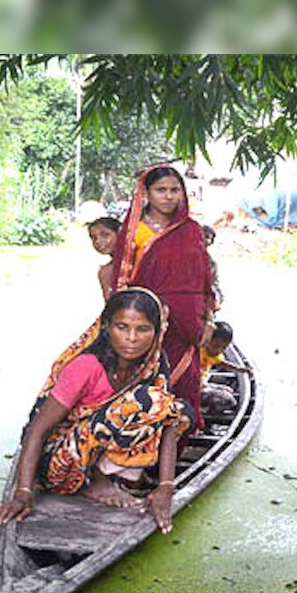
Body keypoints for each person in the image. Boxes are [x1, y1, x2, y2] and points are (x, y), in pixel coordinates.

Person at [0, 288, 190, 533]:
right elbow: (37, 431)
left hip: (95, 450)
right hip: (58, 464)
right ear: (106, 327)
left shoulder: (154, 364)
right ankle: (96, 481)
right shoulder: (86, 367)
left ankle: (126, 476)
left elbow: (168, 419)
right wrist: (23, 493)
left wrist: (166, 486)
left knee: (179, 411)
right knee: (146, 400)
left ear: (157, 332)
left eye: (143, 329)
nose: (132, 338)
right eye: (122, 327)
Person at [109, 165, 214, 429]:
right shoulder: (133, 230)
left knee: (185, 381)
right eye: (161, 190)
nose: (168, 196)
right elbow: (121, 280)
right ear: (147, 193)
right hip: (146, 322)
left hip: (188, 323)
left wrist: (209, 319)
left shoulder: (190, 230)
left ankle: (177, 439)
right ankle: (137, 446)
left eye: (174, 190)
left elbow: (204, 279)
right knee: (142, 382)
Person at [199, 321, 251, 416]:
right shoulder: (199, 352)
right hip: (193, 389)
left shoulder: (213, 354)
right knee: (229, 400)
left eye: (224, 348)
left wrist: (240, 369)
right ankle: (203, 411)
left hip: (201, 385)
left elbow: (221, 363)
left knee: (229, 390)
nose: (219, 351)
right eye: (216, 346)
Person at [87, 216, 122, 300]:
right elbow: (111, 307)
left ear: (120, 234)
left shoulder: (139, 259)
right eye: (93, 238)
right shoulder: (106, 272)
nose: (98, 241)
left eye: (105, 235)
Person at [202, 225, 224, 310]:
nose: (203, 239)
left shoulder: (211, 264)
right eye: (201, 235)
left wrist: (217, 298)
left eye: (207, 237)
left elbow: (214, 284)